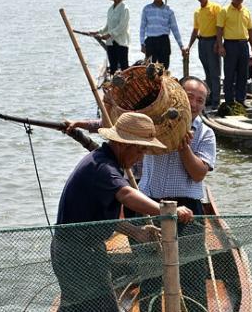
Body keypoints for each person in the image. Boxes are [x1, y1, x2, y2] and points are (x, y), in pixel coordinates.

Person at [51, 112, 194, 312]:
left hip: (85, 249)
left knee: (90, 307)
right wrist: (167, 210)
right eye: (140, 150)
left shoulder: (105, 162)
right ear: (123, 145)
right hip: (76, 251)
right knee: (91, 307)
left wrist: (135, 232)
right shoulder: (103, 168)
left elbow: (96, 215)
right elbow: (126, 194)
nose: (140, 157)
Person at [137, 76, 216, 312]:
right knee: (150, 274)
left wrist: (184, 147)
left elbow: (198, 173)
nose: (194, 104)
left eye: (200, 100)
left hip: (188, 207)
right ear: (177, 96)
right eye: (189, 97)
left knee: (192, 273)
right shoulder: (154, 121)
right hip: (149, 202)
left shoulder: (205, 133)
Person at [216, 0, 252, 107]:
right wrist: (220, 46)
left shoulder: (246, 11)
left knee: (243, 73)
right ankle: (229, 100)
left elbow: (250, 30)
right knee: (229, 73)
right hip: (230, 44)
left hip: (243, 45)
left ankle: (241, 99)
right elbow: (219, 30)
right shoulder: (224, 11)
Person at [186, 0, 222, 109]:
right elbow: (195, 30)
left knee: (215, 73)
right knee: (207, 72)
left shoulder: (215, 8)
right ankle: (210, 98)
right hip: (202, 43)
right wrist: (189, 46)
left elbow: (219, 27)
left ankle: (216, 101)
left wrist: (218, 43)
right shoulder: (197, 12)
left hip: (213, 41)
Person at [140, 0, 186, 70]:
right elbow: (142, 27)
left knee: (164, 68)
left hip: (163, 41)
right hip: (150, 41)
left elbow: (175, 29)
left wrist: (181, 46)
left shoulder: (169, 11)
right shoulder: (146, 9)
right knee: (150, 68)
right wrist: (142, 43)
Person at [90, 0, 130, 75]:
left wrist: (109, 34)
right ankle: (113, 85)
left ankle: (127, 86)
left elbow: (122, 26)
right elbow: (108, 26)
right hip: (110, 42)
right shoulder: (110, 9)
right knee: (113, 65)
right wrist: (97, 32)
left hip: (121, 41)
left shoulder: (124, 8)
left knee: (124, 66)